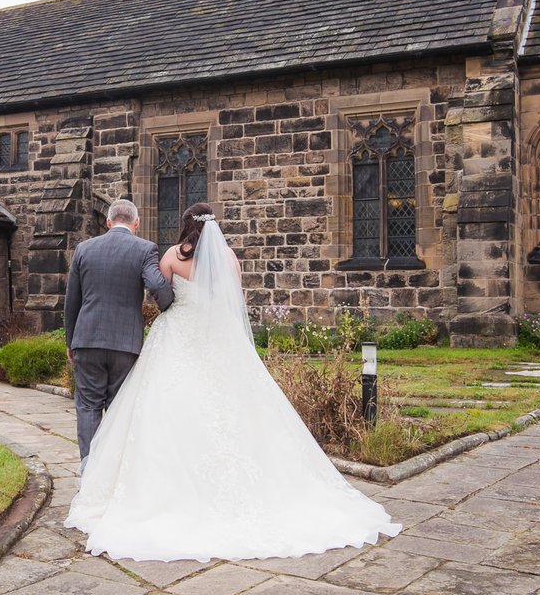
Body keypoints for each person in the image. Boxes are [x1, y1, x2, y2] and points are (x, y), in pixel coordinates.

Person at [66, 202, 402, 562]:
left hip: (169, 338)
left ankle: (104, 474)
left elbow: (160, 296)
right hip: (217, 340)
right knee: (230, 408)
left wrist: (169, 306)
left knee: (149, 408)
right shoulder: (229, 258)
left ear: (184, 225)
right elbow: (230, 302)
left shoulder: (168, 257)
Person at [64, 199, 175, 472]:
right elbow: (157, 286)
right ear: (136, 223)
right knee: (118, 408)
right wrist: (170, 305)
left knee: (88, 407)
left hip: (87, 339)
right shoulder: (145, 249)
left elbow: (71, 301)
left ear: (108, 222)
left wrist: (70, 341)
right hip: (126, 343)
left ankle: (89, 472)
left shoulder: (84, 249)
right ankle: (112, 473)